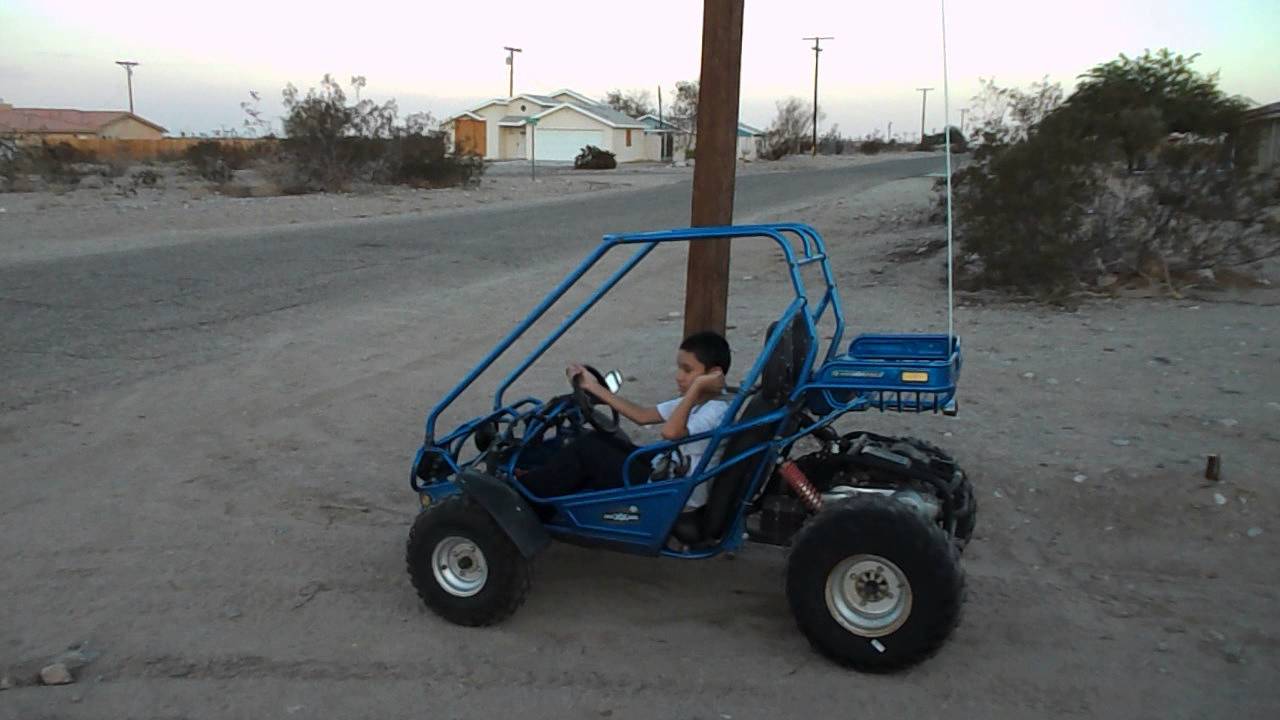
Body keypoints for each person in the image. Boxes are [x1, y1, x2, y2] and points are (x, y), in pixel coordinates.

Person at [518, 331, 732, 508]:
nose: (678, 376)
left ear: (713, 374)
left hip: (671, 491)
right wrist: (593, 387)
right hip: (664, 471)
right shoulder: (697, 402)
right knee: (599, 439)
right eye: (679, 368)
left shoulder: (715, 411)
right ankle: (538, 479)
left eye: (687, 370)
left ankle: (524, 494)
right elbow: (642, 415)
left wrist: (695, 388)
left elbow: (671, 433)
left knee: (586, 449)